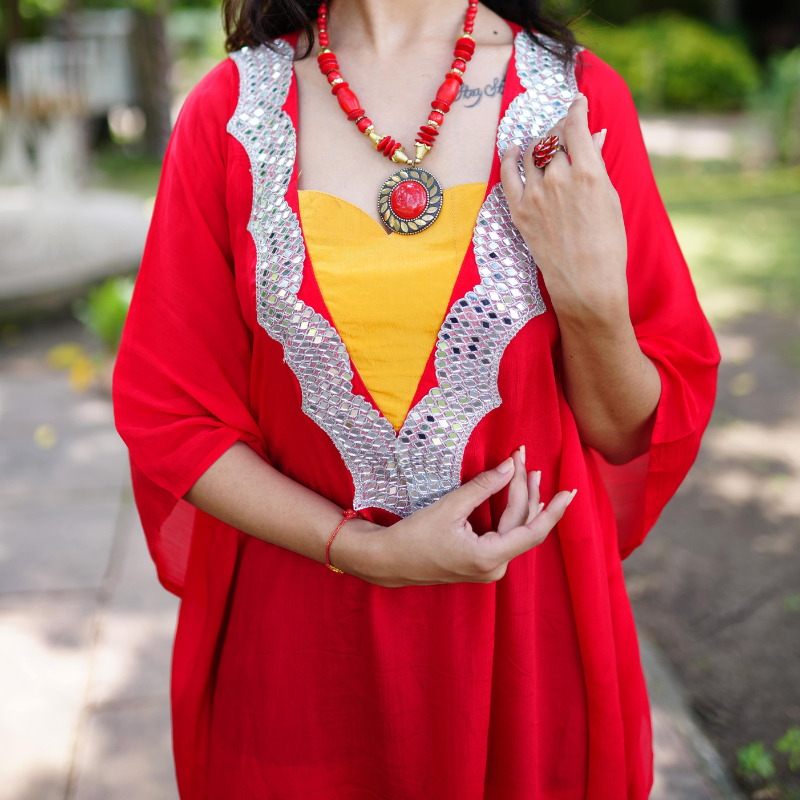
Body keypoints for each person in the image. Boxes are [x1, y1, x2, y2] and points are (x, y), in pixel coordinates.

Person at [112, 0, 720, 796]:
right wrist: (360, 549)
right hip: (299, 648)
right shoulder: (228, 113)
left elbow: (627, 430)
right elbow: (172, 412)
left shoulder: (571, 101)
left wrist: (593, 301)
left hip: (524, 652)